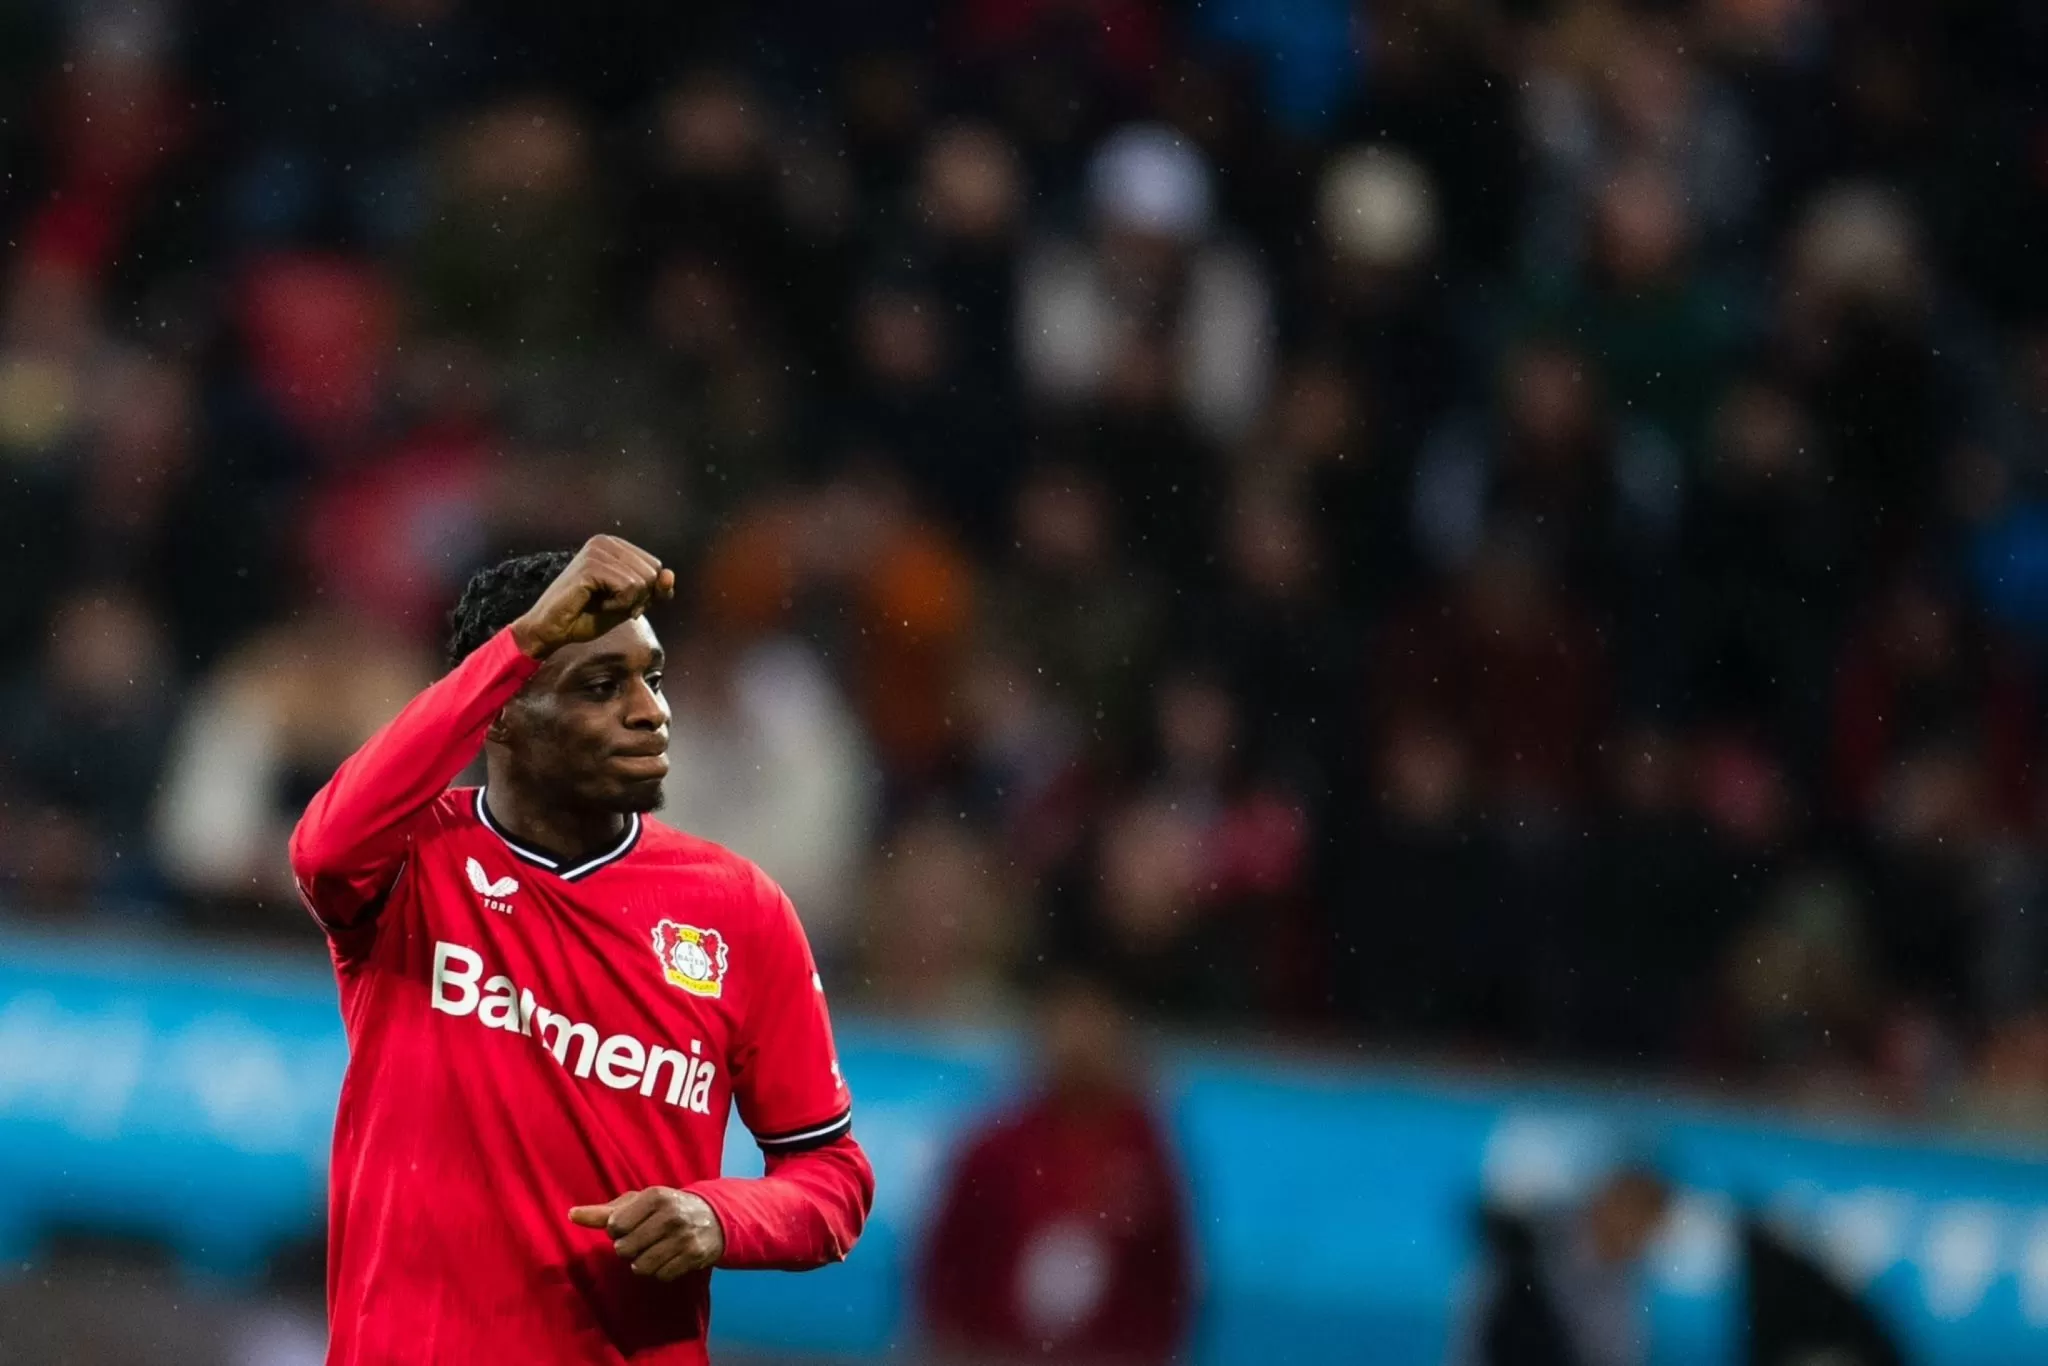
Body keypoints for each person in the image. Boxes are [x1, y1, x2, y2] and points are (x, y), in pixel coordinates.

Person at [289, 536, 874, 1366]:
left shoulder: (741, 912)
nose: (650, 712)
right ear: (501, 710)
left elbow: (832, 1176)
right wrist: (526, 639)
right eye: (601, 687)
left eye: (652, 679)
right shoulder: (414, 862)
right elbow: (321, 849)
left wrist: (719, 1217)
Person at [919, 973, 1193, 1366]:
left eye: (1093, 1026)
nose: (1079, 1044)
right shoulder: (996, 1150)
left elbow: (1169, 1281)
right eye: (1067, 1025)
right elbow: (948, 1263)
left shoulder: (1147, 1155)